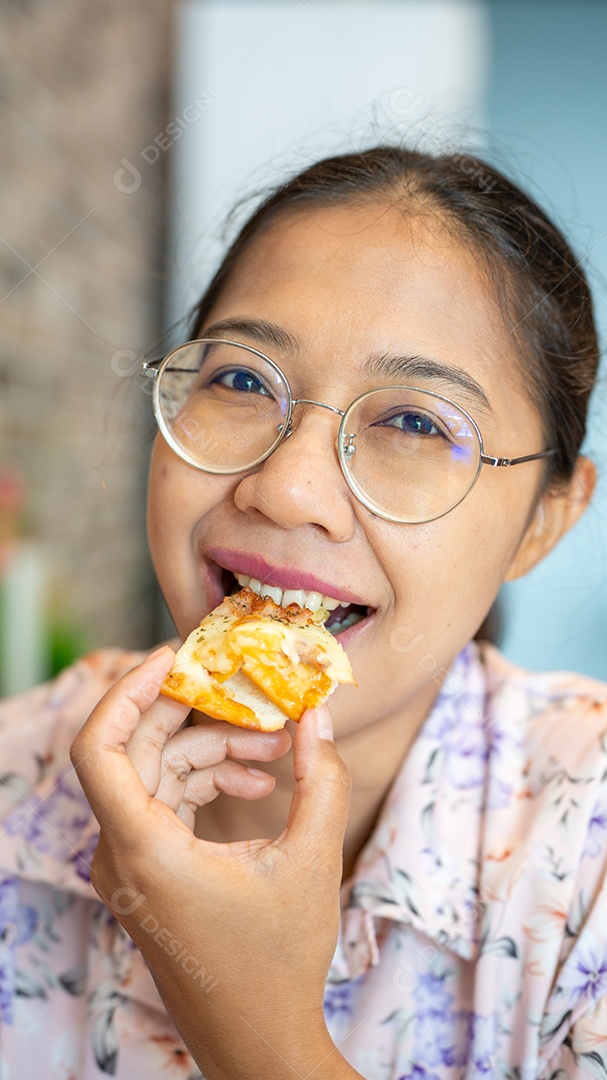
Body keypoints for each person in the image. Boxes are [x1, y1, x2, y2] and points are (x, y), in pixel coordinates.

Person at [1, 144, 606, 1080]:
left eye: (413, 422)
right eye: (241, 381)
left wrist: (258, 1033)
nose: (286, 490)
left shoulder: (586, 859)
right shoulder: (12, 783)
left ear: (544, 520)